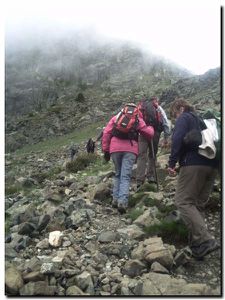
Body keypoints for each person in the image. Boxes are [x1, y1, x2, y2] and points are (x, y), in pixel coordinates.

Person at [167, 98, 219, 259]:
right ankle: (197, 244)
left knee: (183, 201)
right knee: (196, 204)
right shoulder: (203, 120)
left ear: (180, 108)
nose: (175, 118)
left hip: (193, 164)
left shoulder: (185, 117)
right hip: (212, 165)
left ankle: (205, 240)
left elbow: (177, 139)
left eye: (174, 114)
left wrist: (172, 162)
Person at [102, 103, 154, 214]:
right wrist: (151, 128)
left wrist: (106, 150)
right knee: (125, 176)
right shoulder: (137, 119)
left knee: (117, 174)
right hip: (130, 149)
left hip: (115, 149)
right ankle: (122, 202)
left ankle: (115, 200)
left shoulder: (116, 118)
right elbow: (149, 133)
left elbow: (106, 133)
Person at [136, 96, 170, 187]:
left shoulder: (141, 107)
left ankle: (139, 180)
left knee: (141, 155)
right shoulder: (158, 108)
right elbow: (165, 122)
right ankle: (150, 176)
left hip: (143, 133)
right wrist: (166, 137)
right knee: (152, 154)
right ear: (155, 100)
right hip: (155, 133)